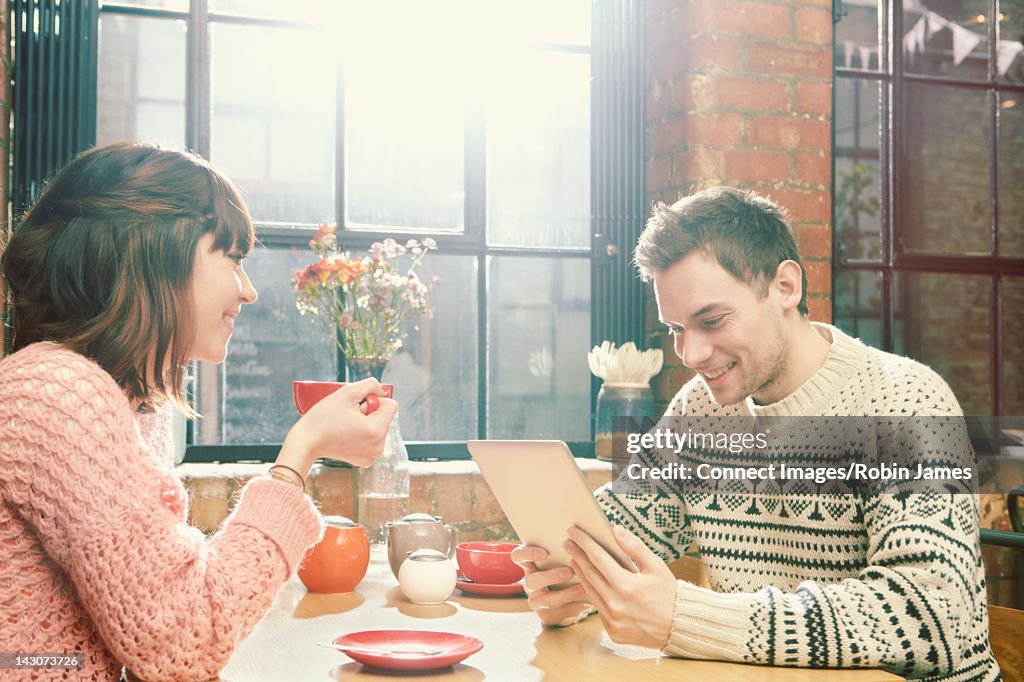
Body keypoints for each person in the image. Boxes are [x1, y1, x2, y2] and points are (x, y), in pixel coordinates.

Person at [512, 186, 998, 679]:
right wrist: (571, 586)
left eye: (712, 320)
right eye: (676, 328)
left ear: (786, 287)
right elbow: (618, 537)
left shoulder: (907, 403)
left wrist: (687, 617)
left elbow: (931, 619)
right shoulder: (699, 412)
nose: (691, 353)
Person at [0, 141, 397, 681]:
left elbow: (151, 620)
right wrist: (299, 454)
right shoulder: (53, 393)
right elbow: (179, 641)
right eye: (232, 258)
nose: (250, 291)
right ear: (153, 249)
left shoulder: (130, 401)